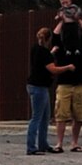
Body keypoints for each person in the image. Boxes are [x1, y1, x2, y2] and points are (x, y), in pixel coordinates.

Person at [48, 0, 82, 152]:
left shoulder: (81, 46)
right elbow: (55, 36)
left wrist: (78, 19)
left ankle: (74, 142)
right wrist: (61, 21)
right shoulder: (60, 46)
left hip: (79, 83)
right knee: (61, 115)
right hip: (64, 83)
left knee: (79, 115)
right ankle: (59, 143)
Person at [25, 25, 55, 155]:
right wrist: (68, 67)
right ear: (49, 40)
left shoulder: (35, 49)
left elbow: (41, 60)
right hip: (39, 87)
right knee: (37, 117)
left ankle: (43, 144)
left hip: (36, 85)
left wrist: (51, 53)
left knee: (44, 117)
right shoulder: (45, 53)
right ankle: (31, 147)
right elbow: (52, 68)